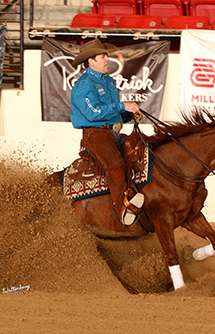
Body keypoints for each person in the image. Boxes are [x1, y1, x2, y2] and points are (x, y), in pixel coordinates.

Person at [70, 39, 145, 226]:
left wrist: (129, 115)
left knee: (142, 154)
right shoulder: (84, 85)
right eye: (102, 56)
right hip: (96, 135)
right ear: (90, 61)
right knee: (116, 164)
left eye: (107, 56)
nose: (107, 60)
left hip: (113, 133)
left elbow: (113, 114)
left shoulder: (108, 82)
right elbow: (93, 112)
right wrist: (122, 106)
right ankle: (122, 209)